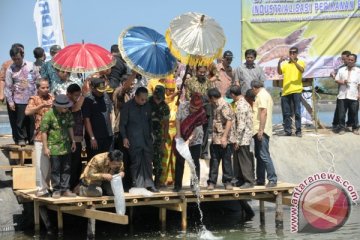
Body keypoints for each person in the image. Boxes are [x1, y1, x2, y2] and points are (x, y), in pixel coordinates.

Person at [120, 87, 158, 192]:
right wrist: (124, 138)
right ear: (136, 96)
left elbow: (150, 121)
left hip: (146, 139)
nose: (144, 101)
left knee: (148, 161)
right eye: (142, 99)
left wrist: (152, 133)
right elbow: (122, 124)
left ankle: (150, 184)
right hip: (133, 139)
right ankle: (137, 185)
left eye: (145, 99)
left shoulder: (147, 106)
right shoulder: (127, 107)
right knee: (136, 162)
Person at [40, 94, 77, 198]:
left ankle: (65, 189)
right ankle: (56, 190)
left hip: (66, 146)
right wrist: (46, 147)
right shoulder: (49, 114)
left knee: (66, 168)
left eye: (67, 105)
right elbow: (43, 132)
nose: (66, 107)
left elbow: (70, 127)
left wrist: (73, 141)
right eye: (64, 106)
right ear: (57, 105)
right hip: (54, 147)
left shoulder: (68, 114)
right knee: (56, 169)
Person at [25, 79, 54, 197]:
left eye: (47, 87)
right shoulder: (34, 99)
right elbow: (27, 112)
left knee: (52, 164)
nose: (46, 89)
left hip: (53, 136)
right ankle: (41, 189)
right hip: (39, 135)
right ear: (38, 88)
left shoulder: (53, 97)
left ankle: (49, 186)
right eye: (43, 88)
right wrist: (41, 105)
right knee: (41, 164)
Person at [5, 45, 39, 145]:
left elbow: (38, 79)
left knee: (31, 120)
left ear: (22, 55)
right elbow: (8, 87)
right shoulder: (10, 69)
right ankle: (21, 139)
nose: (17, 61)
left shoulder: (31, 65)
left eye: (18, 58)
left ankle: (32, 139)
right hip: (18, 99)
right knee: (20, 121)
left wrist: (37, 96)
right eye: (14, 59)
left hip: (32, 97)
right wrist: (10, 101)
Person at [174, 92, 207, 192]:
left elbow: (196, 129)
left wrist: (188, 141)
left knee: (194, 161)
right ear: (190, 103)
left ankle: (194, 185)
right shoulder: (183, 105)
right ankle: (177, 185)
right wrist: (179, 135)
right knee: (180, 161)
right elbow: (177, 120)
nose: (194, 110)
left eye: (196, 109)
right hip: (182, 137)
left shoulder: (201, 112)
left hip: (195, 139)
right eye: (192, 108)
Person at [206, 88, 235, 190]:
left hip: (223, 138)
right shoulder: (215, 105)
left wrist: (224, 137)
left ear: (212, 98)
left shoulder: (224, 105)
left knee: (226, 161)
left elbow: (229, 121)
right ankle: (212, 182)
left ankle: (227, 181)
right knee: (214, 161)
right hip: (215, 138)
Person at [251, 80, 278, 188]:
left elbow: (263, 112)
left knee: (264, 155)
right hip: (260, 129)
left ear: (254, 88)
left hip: (261, 129)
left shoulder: (261, 96)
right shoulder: (265, 94)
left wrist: (261, 129)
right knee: (259, 155)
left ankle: (272, 179)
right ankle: (260, 179)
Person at [82, 78, 114, 160]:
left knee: (107, 160)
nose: (101, 92)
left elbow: (110, 113)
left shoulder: (106, 96)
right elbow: (86, 120)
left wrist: (112, 131)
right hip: (95, 138)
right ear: (92, 88)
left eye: (103, 89)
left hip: (107, 135)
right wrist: (92, 138)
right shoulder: (88, 99)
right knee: (95, 161)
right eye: (99, 90)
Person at [229, 85, 254, 188]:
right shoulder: (239, 104)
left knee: (244, 160)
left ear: (233, 95)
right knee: (238, 159)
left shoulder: (241, 106)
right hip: (239, 137)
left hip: (243, 138)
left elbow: (241, 125)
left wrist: (237, 141)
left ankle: (249, 181)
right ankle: (240, 179)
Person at [277, 47, 306, 137]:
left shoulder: (301, 62)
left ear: (297, 53)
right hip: (286, 91)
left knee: (297, 112)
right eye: (291, 52)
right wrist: (279, 63)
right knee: (286, 112)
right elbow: (279, 72)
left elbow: (302, 70)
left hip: (297, 90)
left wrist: (294, 62)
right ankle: (288, 131)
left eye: (294, 52)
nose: (292, 54)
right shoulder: (285, 64)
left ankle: (298, 130)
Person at [0, 43, 24, 144]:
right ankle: (17, 139)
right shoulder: (7, 64)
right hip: (12, 95)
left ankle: (25, 138)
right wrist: (1, 94)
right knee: (14, 119)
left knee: (25, 118)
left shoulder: (27, 64)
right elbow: (2, 79)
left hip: (24, 96)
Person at [149, 85, 170, 188]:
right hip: (146, 135)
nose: (158, 100)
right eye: (156, 97)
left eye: (160, 98)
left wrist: (164, 140)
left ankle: (157, 181)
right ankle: (147, 182)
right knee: (146, 159)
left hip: (158, 136)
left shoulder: (165, 107)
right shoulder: (146, 102)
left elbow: (166, 125)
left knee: (158, 160)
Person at [334, 54, 360, 135]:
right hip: (342, 95)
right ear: (347, 60)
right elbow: (336, 80)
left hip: (354, 95)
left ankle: (355, 128)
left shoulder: (358, 71)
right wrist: (342, 82)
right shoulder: (341, 70)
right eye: (349, 59)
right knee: (341, 113)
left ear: (355, 61)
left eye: (352, 60)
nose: (350, 61)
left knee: (354, 113)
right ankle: (342, 128)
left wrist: (359, 94)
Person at [66, 84, 85, 190]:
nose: (77, 97)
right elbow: (75, 108)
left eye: (79, 95)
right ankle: (67, 186)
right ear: (69, 94)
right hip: (68, 139)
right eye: (75, 95)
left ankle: (74, 186)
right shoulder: (65, 102)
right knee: (69, 164)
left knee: (76, 164)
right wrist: (83, 95)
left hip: (78, 138)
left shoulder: (77, 101)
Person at [161, 79, 179, 185]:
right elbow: (165, 102)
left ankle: (174, 179)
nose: (171, 92)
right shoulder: (163, 99)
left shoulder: (178, 100)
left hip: (175, 130)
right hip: (165, 130)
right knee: (165, 155)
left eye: (173, 90)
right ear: (165, 90)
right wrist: (174, 95)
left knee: (175, 156)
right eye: (169, 90)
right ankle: (162, 179)